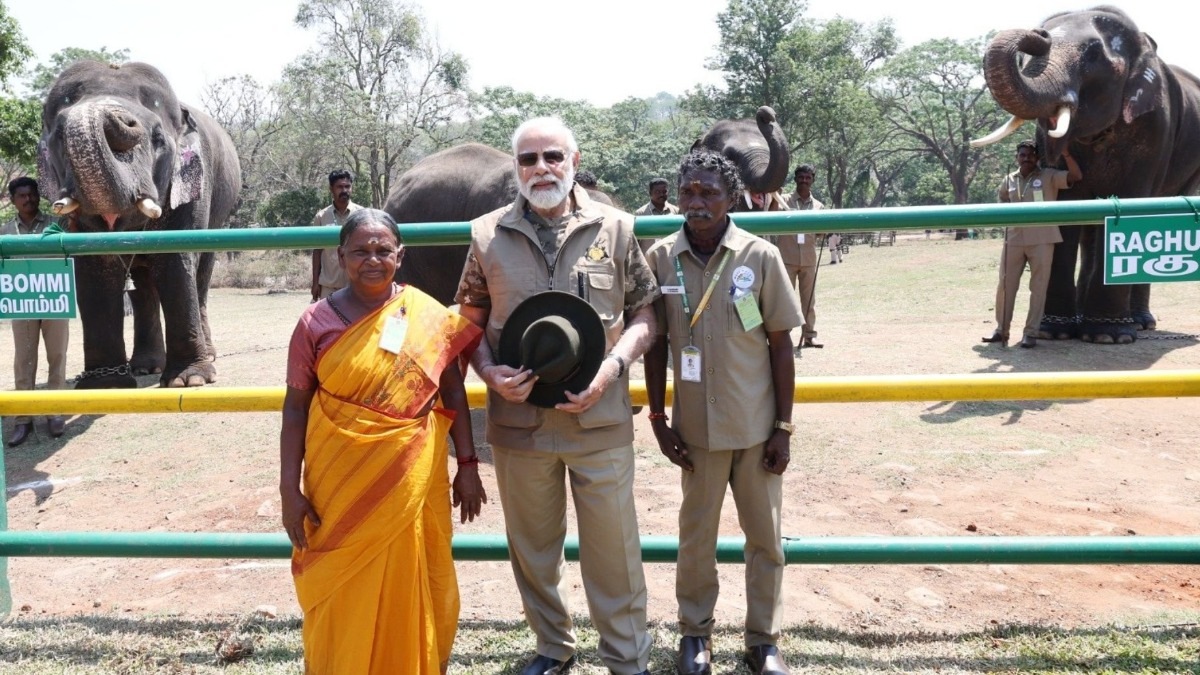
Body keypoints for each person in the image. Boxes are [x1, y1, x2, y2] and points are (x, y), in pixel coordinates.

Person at [456, 116, 658, 675]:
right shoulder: (484, 235)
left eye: (552, 157)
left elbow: (646, 313)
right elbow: (468, 324)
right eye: (528, 159)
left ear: (573, 160)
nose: (540, 169)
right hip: (519, 424)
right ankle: (553, 647)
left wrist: (615, 366)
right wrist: (490, 373)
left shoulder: (616, 229)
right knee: (534, 548)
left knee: (614, 550)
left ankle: (626, 657)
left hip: (600, 416)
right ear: (515, 167)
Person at [281, 208, 486, 674]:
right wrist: (288, 490)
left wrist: (468, 466)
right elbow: (295, 407)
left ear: (400, 255)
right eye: (359, 251)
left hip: (412, 474)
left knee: (413, 571)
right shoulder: (315, 322)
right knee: (341, 579)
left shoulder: (427, 315)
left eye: (382, 250)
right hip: (338, 478)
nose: (372, 260)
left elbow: (452, 390)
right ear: (340, 257)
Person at [644, 150, 802, 675]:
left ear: (731, 198)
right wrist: (659, 421)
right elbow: (656, 344)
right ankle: (695, 636)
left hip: (756, 429)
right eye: (688, 191)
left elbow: (781, 346)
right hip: (696, 432)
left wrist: (782, 427)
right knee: (696, 540)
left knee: (765, 539)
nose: (696, 202)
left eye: (709, 192)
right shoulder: (662, 257)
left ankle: (763, 641)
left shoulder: (760, 257)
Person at [983, 140, 1082, 348]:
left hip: (1042, 239)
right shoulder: (1009, 179)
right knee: (1005, 286)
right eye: (1022, 155)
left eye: (1030, 155)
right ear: (1016, 158)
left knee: (1038, 288)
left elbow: (1076, 176)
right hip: (1014, 239)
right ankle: (1002, 330)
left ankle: (1031, 333)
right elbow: (1002, 200)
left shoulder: (1049, 176)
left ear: (1037, 157)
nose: (1026, 158)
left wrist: (1066, 155)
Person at [3, 177, 68, 446]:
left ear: (38, 196)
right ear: (12, 200)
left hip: (53, 298)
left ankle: (54, 413)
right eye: (21, 196)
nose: (27, 199)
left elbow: (69, 248)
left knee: (57, 356)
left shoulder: (55, 225)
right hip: (23, 302)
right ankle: (23, 418)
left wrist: (61, 238)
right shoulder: (6, 231)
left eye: (31, 194)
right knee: (24, 359)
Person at [777, 164, 825, 349]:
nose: (804, 181)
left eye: (808, 177)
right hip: (786, 259)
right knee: (785, 300)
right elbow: (772, 215)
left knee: (809, 300)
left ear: (812, 180)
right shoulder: (783, 201)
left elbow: (821, 233)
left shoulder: (818, 206)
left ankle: (809, 336)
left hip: (808, 260)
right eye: (801, 177)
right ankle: (783, 337)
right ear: (795, 179)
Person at [310, 169, 362, 302]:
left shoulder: (362, 214)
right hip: (328, 286)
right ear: (331, 189)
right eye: (339, 187)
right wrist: (315, 283)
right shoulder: (321, 217)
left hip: (355, 285)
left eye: (347, 186)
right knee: (329, 322)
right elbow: (317, 251)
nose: (344, 190)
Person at [634, 177, 680, 252]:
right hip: (648, 261)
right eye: (658, 192)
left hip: (670, 260)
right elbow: (635, 243)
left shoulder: (676, 212)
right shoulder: (641, 214)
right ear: (650, 193)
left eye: (664, 191)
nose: (662, 194)